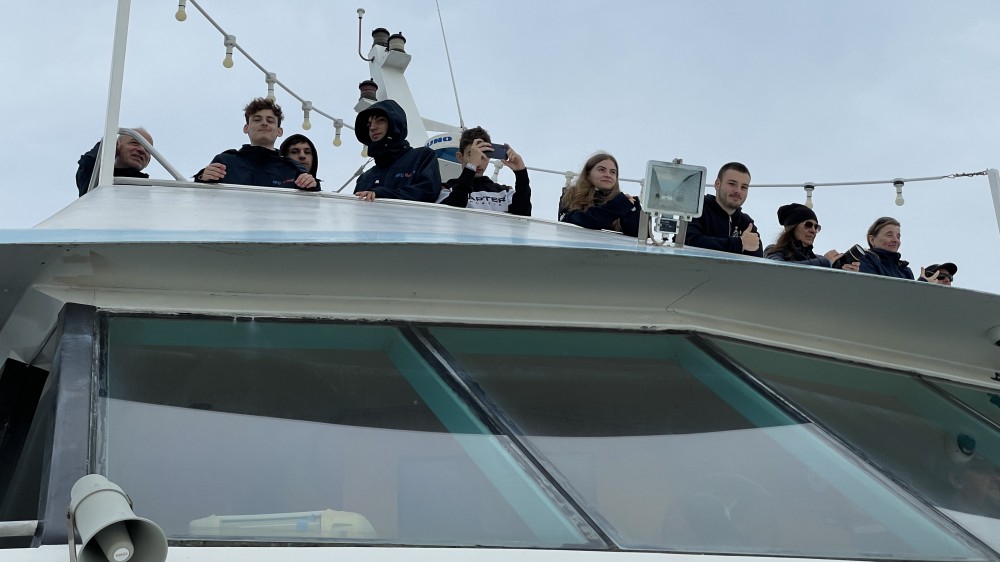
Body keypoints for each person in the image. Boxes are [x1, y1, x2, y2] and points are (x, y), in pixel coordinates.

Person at [194, 98, 318, 191]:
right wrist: (203, 178)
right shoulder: (225, 162)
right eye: (257, 120)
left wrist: (312, 186)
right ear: (246, 128)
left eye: (270, 121)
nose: (264, 123)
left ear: (279, 131)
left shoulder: (294, 169)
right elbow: (205, 199)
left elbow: (311, 203)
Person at [353, 99, 441, 202]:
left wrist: (381, 194)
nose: (372, 128)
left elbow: (427, 192)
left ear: (394, 123)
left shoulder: (422, 157)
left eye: (380, 120)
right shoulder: (364, 178)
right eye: (369, 125)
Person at [438, 127, 531, 216]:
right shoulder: (446, 188)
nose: (478, 162)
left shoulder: (505, 191)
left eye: (484, 155)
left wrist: (521, 173)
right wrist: (471, 167)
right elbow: (450, 212)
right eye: (472, 155)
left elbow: (523, 214)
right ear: (460, 157)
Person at [685, 162, 762, 257]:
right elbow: (687, 242)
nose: (738, 190)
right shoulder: (696, 210)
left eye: (744, 187)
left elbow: (757, 259)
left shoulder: (746, 223)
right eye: (732, 184)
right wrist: (739, 244)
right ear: (717, 184)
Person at [558, 153, 641, 236]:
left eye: (613, 172)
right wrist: (616, 206)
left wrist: (632, 210)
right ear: (588, 174)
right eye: (602, 170)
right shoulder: (571, 195)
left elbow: (638, 233)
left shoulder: (623, 203)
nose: (608, 175)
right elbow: (570, 221)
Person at [75, 128, 154, 197]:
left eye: (147, 149)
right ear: (116, 146)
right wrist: (108, 143)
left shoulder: (154, 191)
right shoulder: (96, 178)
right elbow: (88, 163)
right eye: (134, 143)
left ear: (148, 161)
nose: (142, 150)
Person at [764, 203, 841, 267]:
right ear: (793, 227)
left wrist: (842, 267)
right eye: (808, 225)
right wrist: (826, 262)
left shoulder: (819, 259)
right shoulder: (773, 251)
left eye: (816, 227)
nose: (813, 230)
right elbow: (780, 269)